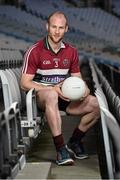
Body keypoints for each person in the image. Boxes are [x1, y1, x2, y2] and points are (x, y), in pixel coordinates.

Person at [20, 11, 100, 166]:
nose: (57, 31)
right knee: (51, 95)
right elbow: (24, 83)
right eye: (54, 27)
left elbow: (78, 79)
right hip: (42, 97)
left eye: (61, 28)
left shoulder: (71, 51)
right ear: (47, 27)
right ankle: (60, 149)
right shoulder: (35, 50)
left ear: (66, 29)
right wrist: (51, 88)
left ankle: (75, 142)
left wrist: (84, 90)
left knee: (96, 105)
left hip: (64, 96)